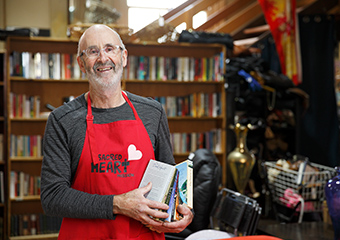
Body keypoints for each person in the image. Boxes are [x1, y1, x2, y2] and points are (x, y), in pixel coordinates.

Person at [40, 24, 193, 240]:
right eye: (93, 51)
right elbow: (52, 197)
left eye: (110, 49)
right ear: (81, 64)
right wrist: (119, 204)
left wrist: (181, 212)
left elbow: (170, 182)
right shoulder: (63, 120)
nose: (103, 58)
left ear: (124, 57)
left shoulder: (152, 113)